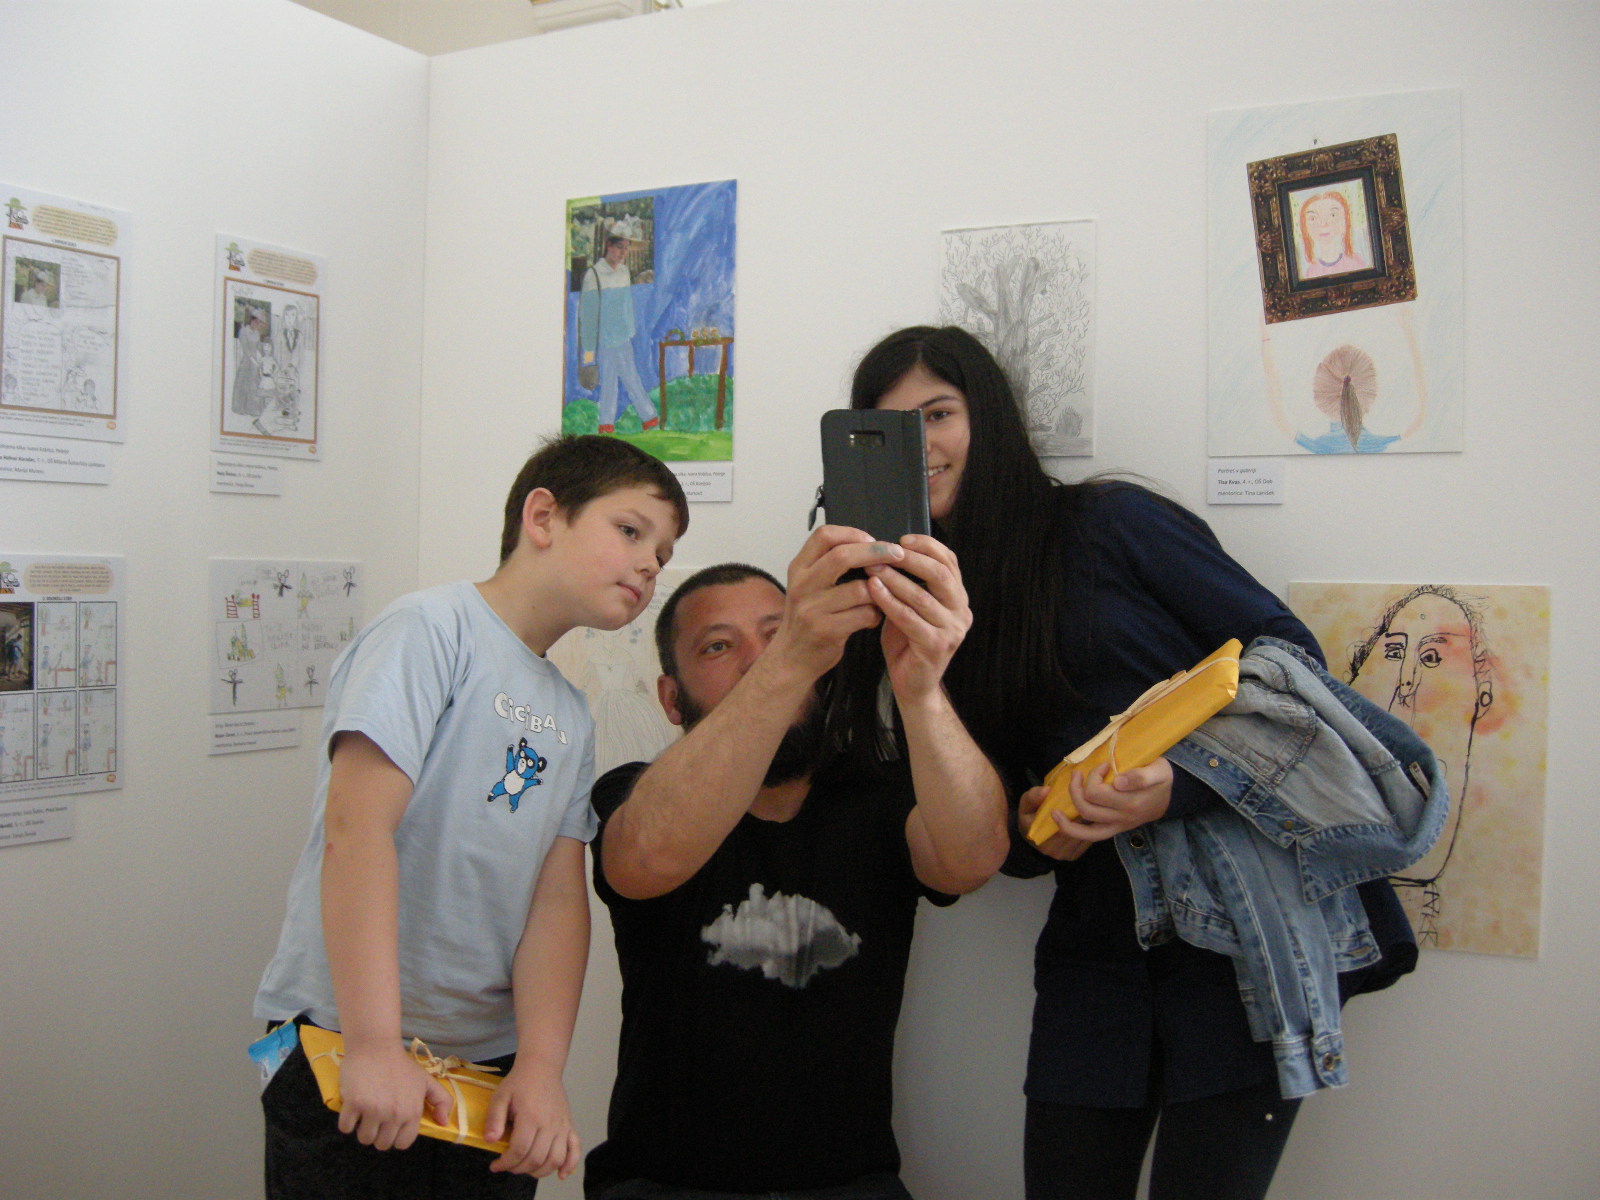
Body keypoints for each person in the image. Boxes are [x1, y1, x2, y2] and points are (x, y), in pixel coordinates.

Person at [848, 325, 1360, 1200]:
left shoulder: (1109, 522)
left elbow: (1288, 659)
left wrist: (1179, 784)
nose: (921, 443)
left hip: (1236, 929)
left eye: (938, 413)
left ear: (988, 417)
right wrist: (1034, 823)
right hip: (1096, 949)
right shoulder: (907, 604)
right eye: (893, 427)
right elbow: (988, 830)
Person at [254, 435, 689, 1199]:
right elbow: (357, 831)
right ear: (543, 517)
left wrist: (542, 1068)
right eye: (631, 531)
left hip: (482, 1068)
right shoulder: (429, 630)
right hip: (342, 1040)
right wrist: (374, 1044)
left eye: (664, 552)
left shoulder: (569, 713)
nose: (651, 564)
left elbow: (556, 902)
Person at [584, 528, 1010, 1199]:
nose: (757, 659)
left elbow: (973, 860)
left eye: (777, 633)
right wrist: (787, 662)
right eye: (719, 646)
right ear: (670, 698)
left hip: (852, 1186)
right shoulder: (637, 792)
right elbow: (645, 858)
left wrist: (921, 690)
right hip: (661, 1185)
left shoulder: (878, 795)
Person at [578, 220, 661, 435]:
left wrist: (629, 330)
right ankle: (649, 418)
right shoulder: (594, 275)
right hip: (605, 340)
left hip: (623, 337)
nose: (623, 252)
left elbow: (626, 306)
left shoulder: (624, 272)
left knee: (618, 380)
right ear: (609, 246)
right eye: (619, 247)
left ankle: (608, 424)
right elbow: (588, 316)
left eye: (626, 248)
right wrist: (589, 353)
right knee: (622, 380)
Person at [1296, 189, 1369, 279]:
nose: (1323, 224)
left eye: (1333, 215)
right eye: (1313, 218)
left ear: (1345, 222)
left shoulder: (1356, 263)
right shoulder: (1311, 272)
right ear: (1305, 227)